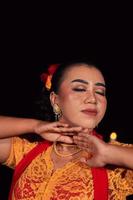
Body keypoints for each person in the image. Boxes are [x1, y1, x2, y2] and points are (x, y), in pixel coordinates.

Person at [0, 61, 133, 200]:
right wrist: (34, 125)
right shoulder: (28, 150)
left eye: (100, 92)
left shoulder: (115, 163)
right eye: (80, 89)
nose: (93, 99)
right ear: (55, 100)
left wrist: (108, 152)